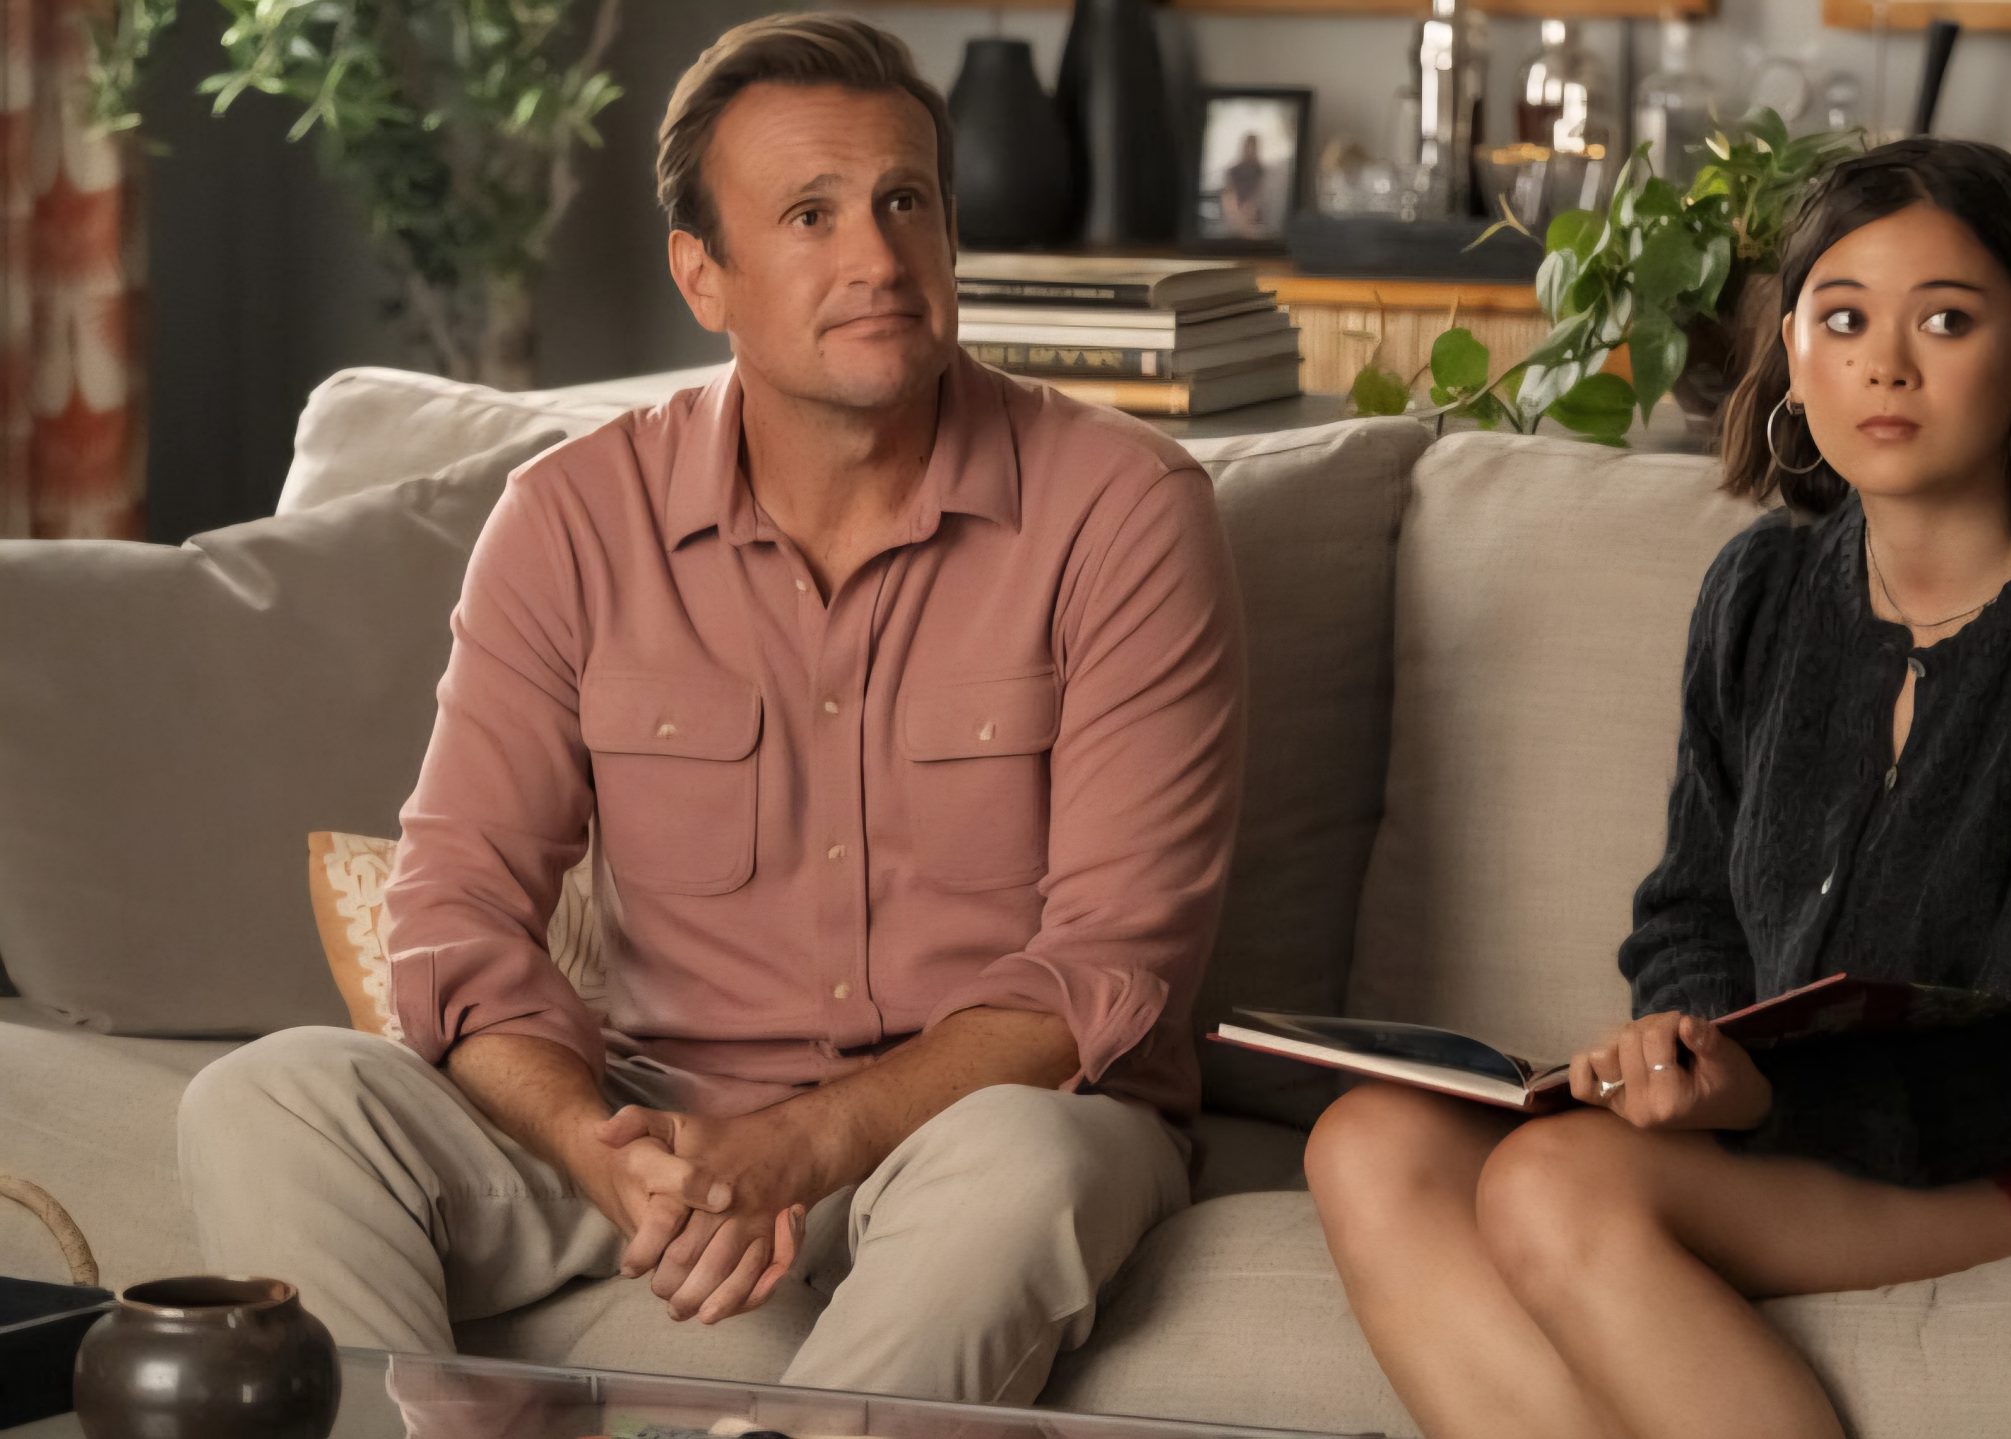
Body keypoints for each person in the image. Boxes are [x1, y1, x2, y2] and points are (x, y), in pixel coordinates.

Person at [176, 11, 1246, 1406]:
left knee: (1034, 1165)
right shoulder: (570, 520)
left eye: (904, 201)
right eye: (810, 214)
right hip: (657, 1117)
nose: (877, 256)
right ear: (703, 274)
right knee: (270, 1097)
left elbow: (1111, 962)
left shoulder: (1125, 512)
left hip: (982, 1126)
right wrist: (590, 1138)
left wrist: (801, 1146)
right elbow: (458, 907)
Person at [1302, 136, 2011, 1439]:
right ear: (1790, 351)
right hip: (1786, 1114)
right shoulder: (1761, 589)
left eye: (1948, 320)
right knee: (1370, 1141)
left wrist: (1763, 1096)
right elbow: (1688, 903)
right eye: (1842, 317)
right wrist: (1679, 1045)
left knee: (1557, 1186)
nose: (1885, 362)